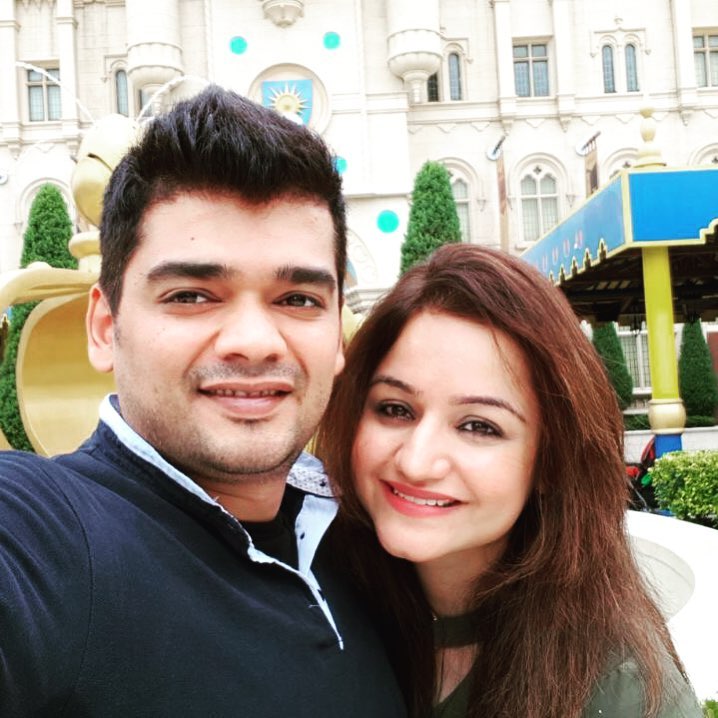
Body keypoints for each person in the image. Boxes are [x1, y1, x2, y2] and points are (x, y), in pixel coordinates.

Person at [0, 86, 406, 716]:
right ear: (104, 327)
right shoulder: (48, 538)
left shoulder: (375, 542)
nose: (254, 342)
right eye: (191, 295)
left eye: (298, 300)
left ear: (337, 338)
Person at [316, 243, 701, 718]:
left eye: (479, 426)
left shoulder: (622, 691)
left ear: (550, 463)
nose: (415, 462)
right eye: (395, 409)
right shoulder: (313, 604)